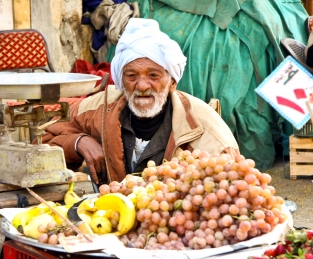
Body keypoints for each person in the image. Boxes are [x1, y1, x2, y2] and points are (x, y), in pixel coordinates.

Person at [41, 18, 239, 185]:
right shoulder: (100, 107)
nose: (142, 85)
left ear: (172, 82)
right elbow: (41, 143)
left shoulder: (208, 134)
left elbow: (228, 193)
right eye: (131, 75)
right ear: (120, 81)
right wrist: (78, 142)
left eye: (153, 75)